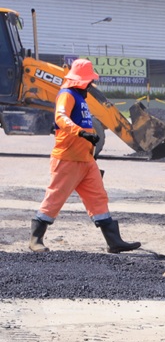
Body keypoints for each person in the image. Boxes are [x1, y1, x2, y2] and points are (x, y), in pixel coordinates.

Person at [29, 59, 140, 254]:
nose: (91, 84)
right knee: (55, 197)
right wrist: (81, 132)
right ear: (80, 81)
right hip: (68, 158)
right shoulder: (67, 94)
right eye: (89, 80)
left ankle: (114, 241)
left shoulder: (81, 97)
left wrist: (90, 138)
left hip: (86, 160)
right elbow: (61, 118)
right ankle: (35, 239)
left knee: (98, 198)